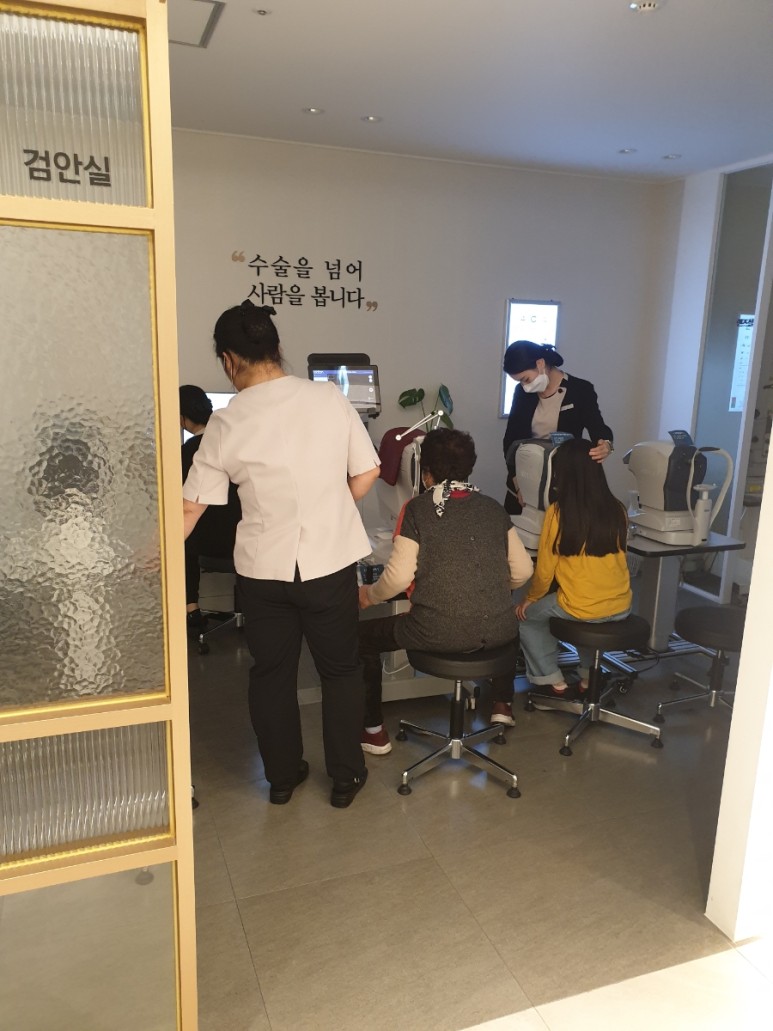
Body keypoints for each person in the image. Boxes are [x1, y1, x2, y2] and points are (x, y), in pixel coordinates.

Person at [182, 301, 380, 808]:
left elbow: (191, 509)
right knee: (340, 671)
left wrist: (149, 558)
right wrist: (328, 509)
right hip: (328, 565)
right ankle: (345, 777)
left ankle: (282, 777)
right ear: (277, 347)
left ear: (229, 360)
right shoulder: (328, 398)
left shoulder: (225, 422)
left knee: (271, 675)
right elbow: (367, 472)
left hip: (262, 572)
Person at [358, 428, 534, 748]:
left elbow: (398, 578)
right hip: (496, 631)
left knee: (361, 638)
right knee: (504, 619)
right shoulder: (493, 508)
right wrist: (491, 586)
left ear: (426, 473)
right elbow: (523, 571)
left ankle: (373, 733)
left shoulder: (418, 509)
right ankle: (502, 705)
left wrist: (369, 596)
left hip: (436, 631)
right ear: (469, 467)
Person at [515, 437, 632, 697]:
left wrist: (530, 599)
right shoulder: (618, 509)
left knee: (527, 618)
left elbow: (545, 570)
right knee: (588, 616)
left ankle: (551, 679)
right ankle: (589, 676)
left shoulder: (559, 513)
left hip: (580, 606)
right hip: (620, 605)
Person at [502, 340, 613, 513]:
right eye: (520, 382)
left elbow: (597, 427)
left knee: (556, 525)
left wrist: (605, 444)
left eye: (525, 379)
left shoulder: (580, 390)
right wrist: (518, 483)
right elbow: (511, 441)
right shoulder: (523, 394)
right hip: (526, 473)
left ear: (540, 363)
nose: (525, 386)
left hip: (563, 476)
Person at [179, 385, 242, 636]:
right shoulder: (235, 445)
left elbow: (186, 506)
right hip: (243, 540)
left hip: (208, 546)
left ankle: (191, 608)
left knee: (181, 540)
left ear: (182, 417)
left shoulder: (188, 450)